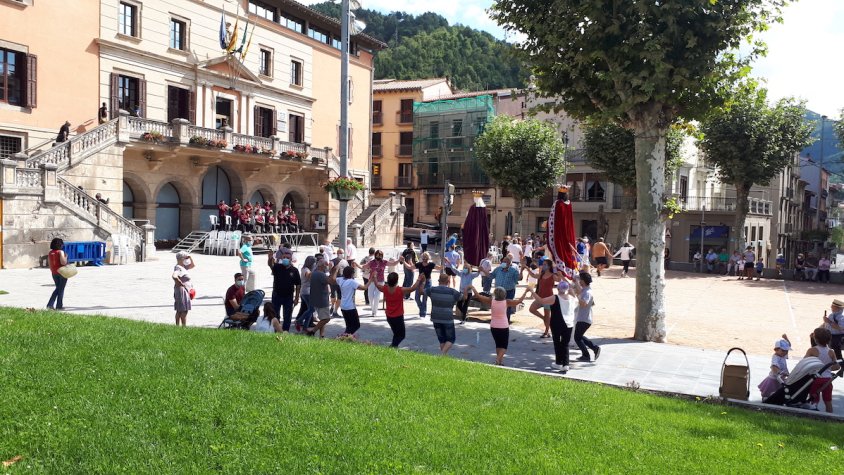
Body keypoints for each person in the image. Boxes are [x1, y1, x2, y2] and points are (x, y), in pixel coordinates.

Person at [470, 287, 528, 365]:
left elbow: (478, 296)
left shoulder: (491, 301)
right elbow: (519, 301)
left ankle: (500, 362)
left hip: (493, 326)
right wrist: (526, 292)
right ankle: (497, 360)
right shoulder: (507, 302)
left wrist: (473, 288)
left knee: (498, 344)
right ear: (504, 294)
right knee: (504, 346)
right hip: (503, 326)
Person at [532, 280, 578, 374]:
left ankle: (558, 362)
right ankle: (565, 364)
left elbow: (541, 301)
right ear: (567, 289)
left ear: (558, 288)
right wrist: (571, 290)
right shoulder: (573, 298)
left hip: (557, 323)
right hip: (569, 324)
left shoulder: (555, 297)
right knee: (565, 344)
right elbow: (575, 297)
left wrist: (531, 291)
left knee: (557, 343)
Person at [376, 272, 424, 347]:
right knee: (401, 335)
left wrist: (374, 277)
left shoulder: (384, 288)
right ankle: (392, 347)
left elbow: (377, 285)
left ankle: (394, 347)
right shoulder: (400, 290)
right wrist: (419, 279)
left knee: (396, 334)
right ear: (397, 281)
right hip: (398, 316)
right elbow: (412, 288)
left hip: (389, 316)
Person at [805, 327, 840, 413]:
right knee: (828, 401)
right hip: (827, 380)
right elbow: (837, 367)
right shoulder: (831, 351)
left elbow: (804, 362)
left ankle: (813, 415)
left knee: (814, 400)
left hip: (815, 379)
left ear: (815, 339)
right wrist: (827, 368)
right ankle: (830, 417)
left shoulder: (812, 350)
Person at [426, 273, 463, 355]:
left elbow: (422, 291)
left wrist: (421, 281)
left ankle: (443, 357)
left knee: (441, 339)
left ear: (438, 281)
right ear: (448, 281)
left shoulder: (432, 290)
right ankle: (442, 354)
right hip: (447, 318)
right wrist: (467, 289)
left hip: (435, 317)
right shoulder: (452, 292)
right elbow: (463, 297)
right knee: (451, 339)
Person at [268, 247, 301, 332]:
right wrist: (270, 258)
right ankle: (277, 330)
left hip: (288, 296)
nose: (285, 259)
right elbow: (270, 265)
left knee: (287, 316)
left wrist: (297, 298)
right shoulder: (277, 267)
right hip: (277, 295)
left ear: (291, 259)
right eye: (284, 257)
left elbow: (298, 285)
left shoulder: (294, 270)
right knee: (275, 314)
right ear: (281, 258)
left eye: (287, 258)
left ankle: (285, 331)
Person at [332, 265, 367, 336]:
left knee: (349, 325)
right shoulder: (352, 282)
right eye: (353, 272)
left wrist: (336, 271)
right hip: (350, 307)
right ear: (351, 274)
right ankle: (344, 336)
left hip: (343, 306)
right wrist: (371, 280)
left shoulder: (341, 279)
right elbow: (364, 288)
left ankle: (345, 337)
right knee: (356, 325)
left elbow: (333, 279)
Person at [526, 259, 558, 338]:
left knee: (547, 315)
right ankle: (544, 319)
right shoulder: (541, 275)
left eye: (545, 264)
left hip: (548, 299)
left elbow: (559, 279)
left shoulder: (553, 275)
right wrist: (527, 268)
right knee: (532, 309)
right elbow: (533, 275)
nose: (543, 266)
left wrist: (558, 271)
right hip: (540, 297)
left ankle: (546, 332)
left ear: (549, 266)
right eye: (543, 264)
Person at [574, 272, 601, 362]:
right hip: (583, 317)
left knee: (577, 337)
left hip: (584, 319)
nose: (579, 281)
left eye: (580, 279)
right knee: (579, 336)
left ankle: (588, 353)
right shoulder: (585, 290)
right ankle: (593, 349)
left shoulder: (587, 292)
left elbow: (584, 304)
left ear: (583, 281)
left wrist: (577, 296)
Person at [406, 251, 439, 319]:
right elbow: (410, 267)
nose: (424, 259)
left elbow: (439, 268)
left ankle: (423, 314)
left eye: (425, 258)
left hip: (427, 282)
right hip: (420, 282)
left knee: (424, 299)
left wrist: (446, 262)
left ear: (428, 258)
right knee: (417, 298)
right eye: (423, 258)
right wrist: (404, 262)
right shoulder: (419, 264)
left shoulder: (431, 264)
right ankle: (422, 309)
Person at [489, 256, 521, 322]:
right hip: (498, 292)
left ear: (509, 263)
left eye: (505, 262)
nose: (503, 263)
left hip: (509, 291)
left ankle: (506, 321)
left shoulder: (513, 271)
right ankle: (497, 320)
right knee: (497, 306)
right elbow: (491, 276)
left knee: (507, 307)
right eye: (503, 261)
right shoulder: (498, 269)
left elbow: (519, 278)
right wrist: (484, 271)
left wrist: (522, 269)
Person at [308, 258, 333, 338]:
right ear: (322, 266)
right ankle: (312, 331)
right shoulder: (321, 274)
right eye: (326, 265)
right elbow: (331, 281)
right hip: (322, 300)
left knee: (322, 318)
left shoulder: (314, 273)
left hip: (316, 298)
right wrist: (333, 270)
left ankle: (321, 335)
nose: (326, 267)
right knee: (326, 319)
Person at [172, 251, 195, 326]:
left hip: (184, 290)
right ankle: (183, 326)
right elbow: (174, 276)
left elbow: (192, 265)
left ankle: (178, 326)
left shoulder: (183, 267)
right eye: (186, 258)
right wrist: (180, 283)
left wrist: (190, 257)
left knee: (180, 309)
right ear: (182, 259)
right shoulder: (179, 268)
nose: (187, 260)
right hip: (182, 291)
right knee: (183, 310)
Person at [294, 256, 316, 332]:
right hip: (307, 292)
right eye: (314, 263)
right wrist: (315, 269)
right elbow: (309, 276)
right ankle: (299, 321)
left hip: (307, 291)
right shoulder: (306, 269)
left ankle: (305, 327)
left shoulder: (307, 269)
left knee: (309, 310)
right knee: (312, 309)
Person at [823, 298, 844, 376]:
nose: (831, 307)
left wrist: (829, 321)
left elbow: (840, 327)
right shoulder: (832, 315)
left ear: (837, 308)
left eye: (833, 306)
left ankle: (842, 367)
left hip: (837, 337)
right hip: (830, 335)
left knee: (837, 354)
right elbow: (827, 325)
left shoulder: (841, 317)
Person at [46, 238, 69, 310]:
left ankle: (57, 305)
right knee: (60, 289)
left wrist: (53, 271)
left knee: (58, 288)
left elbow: (50, 264)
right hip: (62, 272)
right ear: (60, 245)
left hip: (54, 273)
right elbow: (63, 262)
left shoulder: (50, 253)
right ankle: (53, 305)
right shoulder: (60, 252)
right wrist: (66, 257)